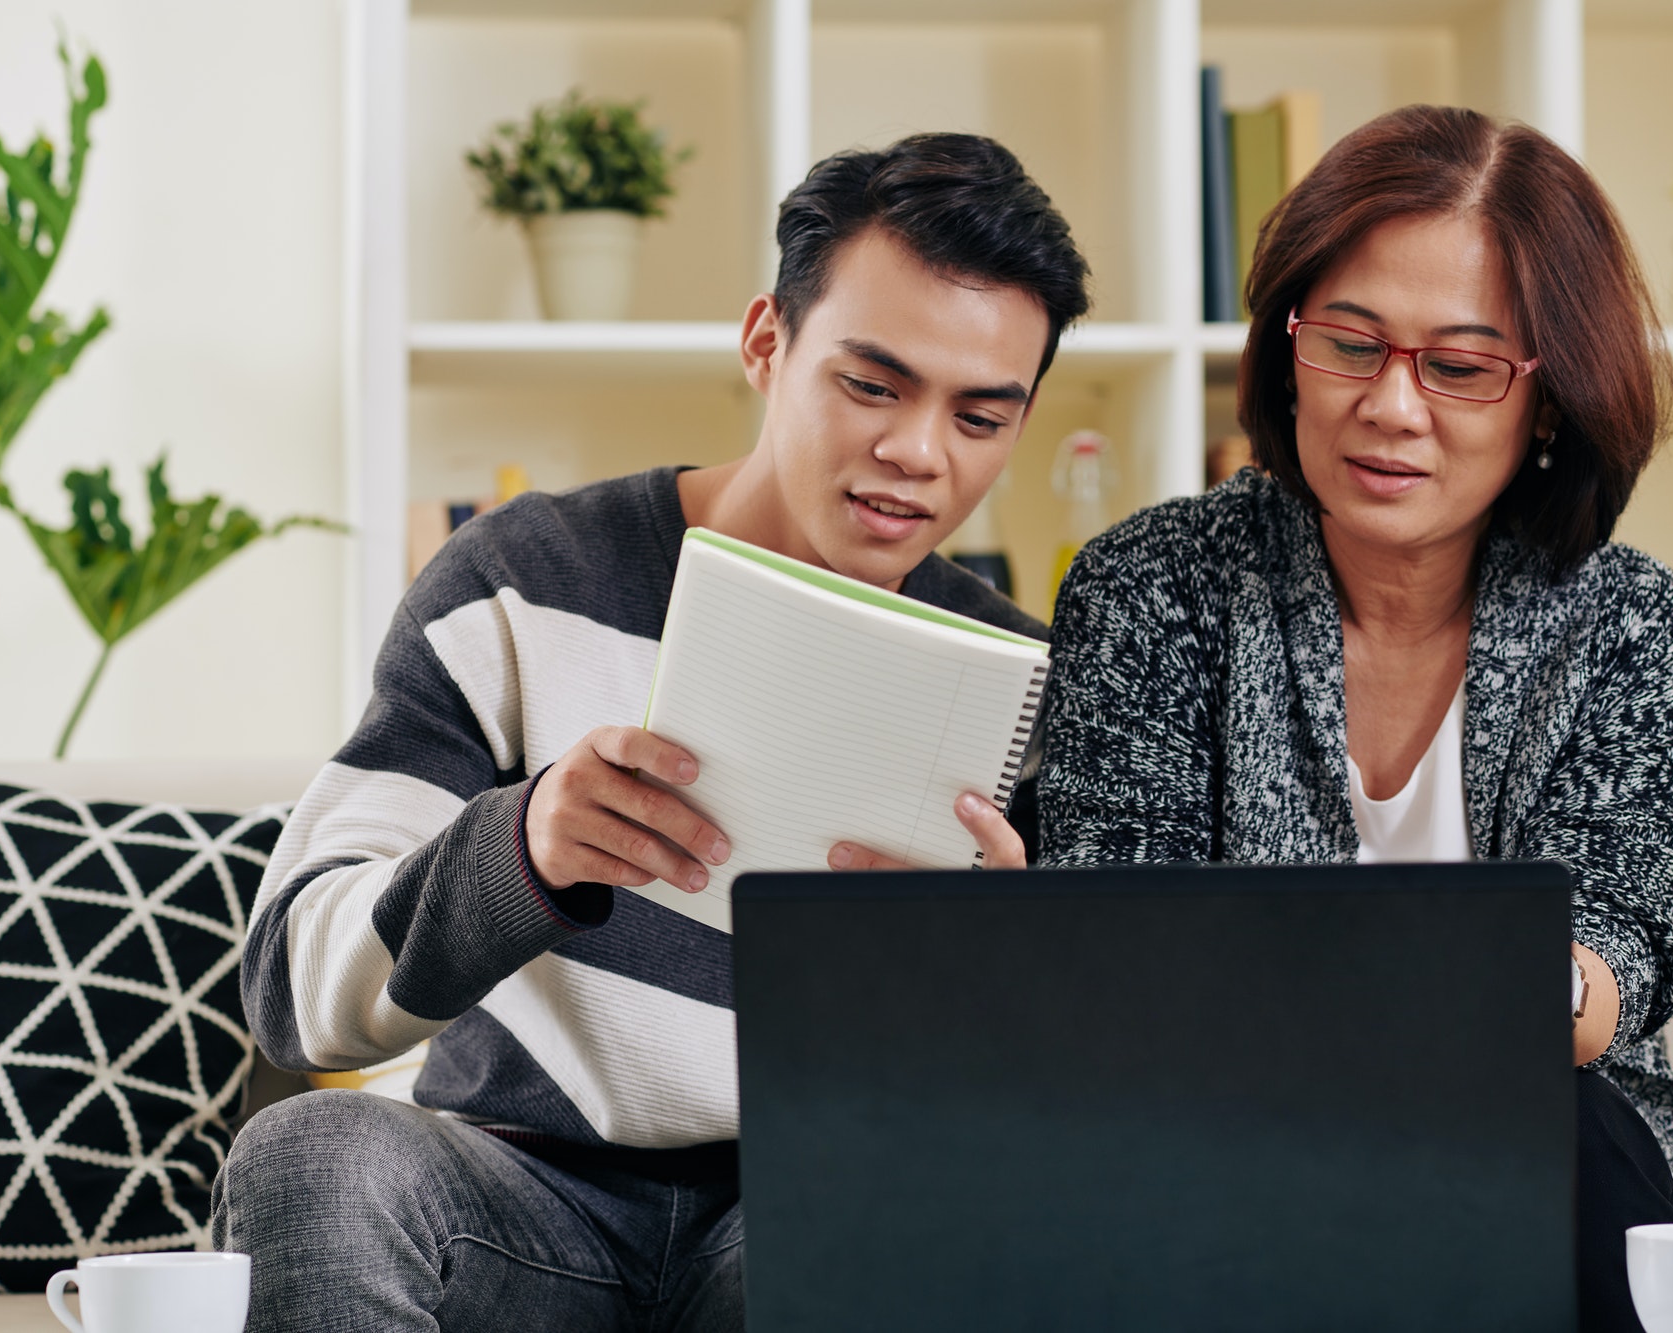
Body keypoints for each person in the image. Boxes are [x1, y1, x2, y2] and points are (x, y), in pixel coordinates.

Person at [213, 132, 1090, 1333]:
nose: (917, 454)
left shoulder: (1017, 688)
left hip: (801, 1218)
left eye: (980, 417)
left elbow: (1063, 1130)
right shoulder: (520, 582)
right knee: (310, 1152)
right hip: (513, 1199)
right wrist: (520, 850)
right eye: (871, 384)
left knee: (908, 1221)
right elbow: (291, 993)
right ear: (764, 344)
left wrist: (991, 982)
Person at [1034, 105, 1673, 1333]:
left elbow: (1599, 976)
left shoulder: (1638, 629)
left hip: (1548, 1162)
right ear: (1283, 347)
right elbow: (1124, 946)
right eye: (1349, 343)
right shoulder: (1150, 586)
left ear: (1547, 401)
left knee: (1546, 1101)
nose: (1390, 406)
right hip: (1208, 1159)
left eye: (1461, 366)